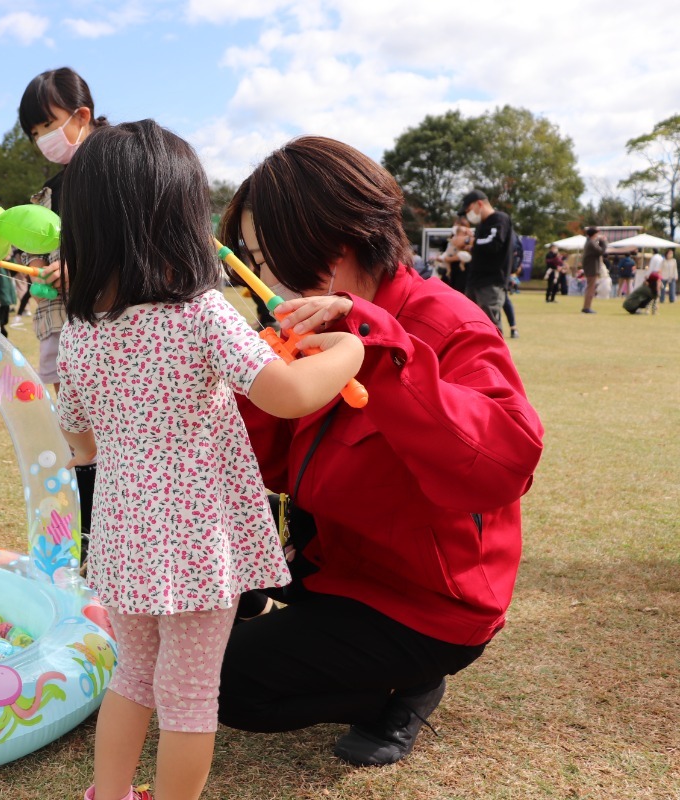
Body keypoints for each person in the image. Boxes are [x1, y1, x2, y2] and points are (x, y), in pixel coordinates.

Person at [56, 121, 364, 800]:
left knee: (133, 677)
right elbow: (286, 395)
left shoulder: (80, 333)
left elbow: (77, 438)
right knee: (191, 690)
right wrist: (350, 348)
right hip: (196, 539)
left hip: (123, 530)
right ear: (175, 221)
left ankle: (108, 796)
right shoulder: (200, 314)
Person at [217, 136, 544, 767]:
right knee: (202, 633)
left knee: (226, 686)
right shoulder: (310, 334)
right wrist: (256, 386)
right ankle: (351, 661)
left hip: (427, 602)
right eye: (253, 262)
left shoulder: (446, 325)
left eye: (274, 259)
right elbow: (278, 466)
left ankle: (400, 693)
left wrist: (383, 358)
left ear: (337, 247)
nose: (268, 283)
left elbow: (506, 464)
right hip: (337, 568)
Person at [18, 67, 111, 569]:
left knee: (116, 443)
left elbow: (141, 244)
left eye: (46, 126)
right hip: (66, 332)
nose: (42, 141)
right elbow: (37, 263)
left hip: (121, 332)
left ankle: (109, 547)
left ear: (82, 115)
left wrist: (87, 269)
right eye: (34, 134)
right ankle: (89, 548)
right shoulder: (49, 194)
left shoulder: (125, 166)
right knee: (79, 443)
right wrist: (36, 273)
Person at [457, 189, 511, 328]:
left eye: (469, 209)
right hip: (475, 280)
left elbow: (494, 243)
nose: (468, 215)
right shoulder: (482, 224)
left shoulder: (499, 219)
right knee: (471, 323)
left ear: (479, 204)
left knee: (490, 325)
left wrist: (470, 241)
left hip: (491, 282)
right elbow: (481, 246)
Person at [581, 226, 607, 313]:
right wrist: (603, 242)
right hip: (592, 268)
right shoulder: (591, 243)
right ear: (594, 234)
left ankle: (587, 307)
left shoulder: (589, 242)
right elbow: (600, 251)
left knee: (590, 288)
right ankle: (586, 308)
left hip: (590, 267)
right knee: (591, 288)